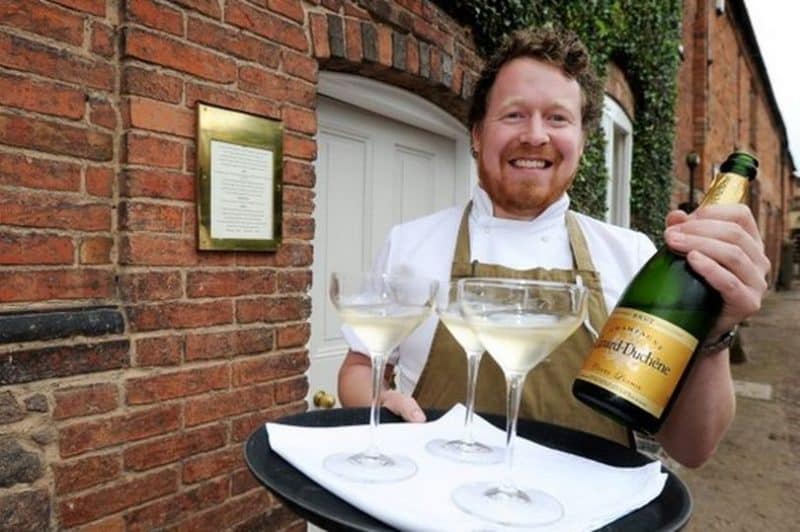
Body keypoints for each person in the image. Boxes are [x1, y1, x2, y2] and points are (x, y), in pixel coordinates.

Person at [337, 27, 770, 468]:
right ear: (476, 134)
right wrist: (380, 406)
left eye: (558, 118)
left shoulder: (632, 256)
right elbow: (358, 368)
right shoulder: (411, 243)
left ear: (582, 141)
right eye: (513, 115)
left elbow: (691, 448)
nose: (536, 135)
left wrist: (715, 334)